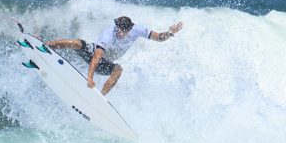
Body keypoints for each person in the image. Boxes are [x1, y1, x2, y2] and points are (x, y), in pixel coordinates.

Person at [46, 16, 183, 95]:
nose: (118, 32)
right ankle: (46, 45)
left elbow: (159, 37)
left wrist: (170, 33)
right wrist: (90, 78)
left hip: (105, 63)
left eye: (121, 31)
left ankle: (100, 97)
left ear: (129, 29)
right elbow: (96, 57)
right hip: (94, 54)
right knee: (76, 43)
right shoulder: (108, 34)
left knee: (118, 70)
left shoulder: (138, 30)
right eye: (117, 28)